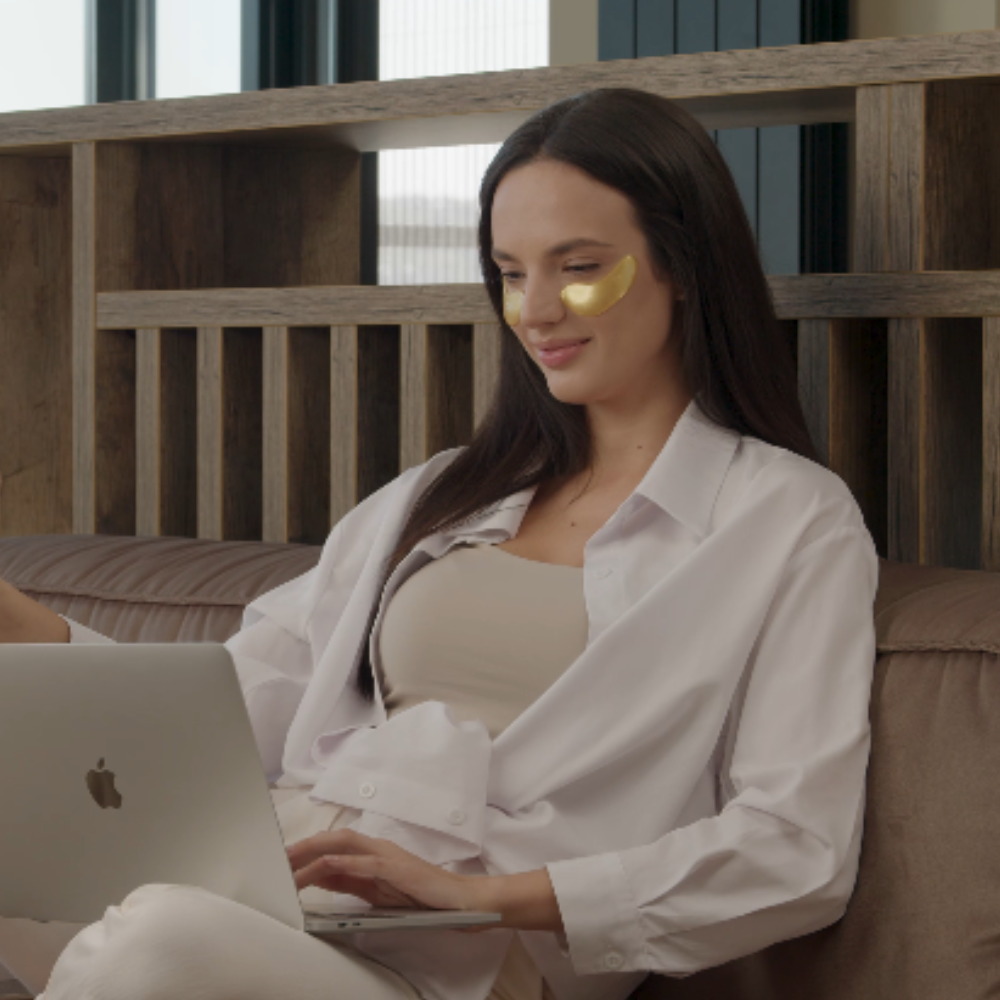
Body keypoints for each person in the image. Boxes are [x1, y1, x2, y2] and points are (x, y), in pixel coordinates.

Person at [0, 87, 879, 1000]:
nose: (536, 310)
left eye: (579, 267)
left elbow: (798, 847)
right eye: (510, 271)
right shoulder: (442, 492)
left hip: (471, 954)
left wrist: (488, 896)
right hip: (282, 878)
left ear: (685, 264)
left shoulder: (787, 520)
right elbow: (233, 708)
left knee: (156, 944)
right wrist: (31, 632)